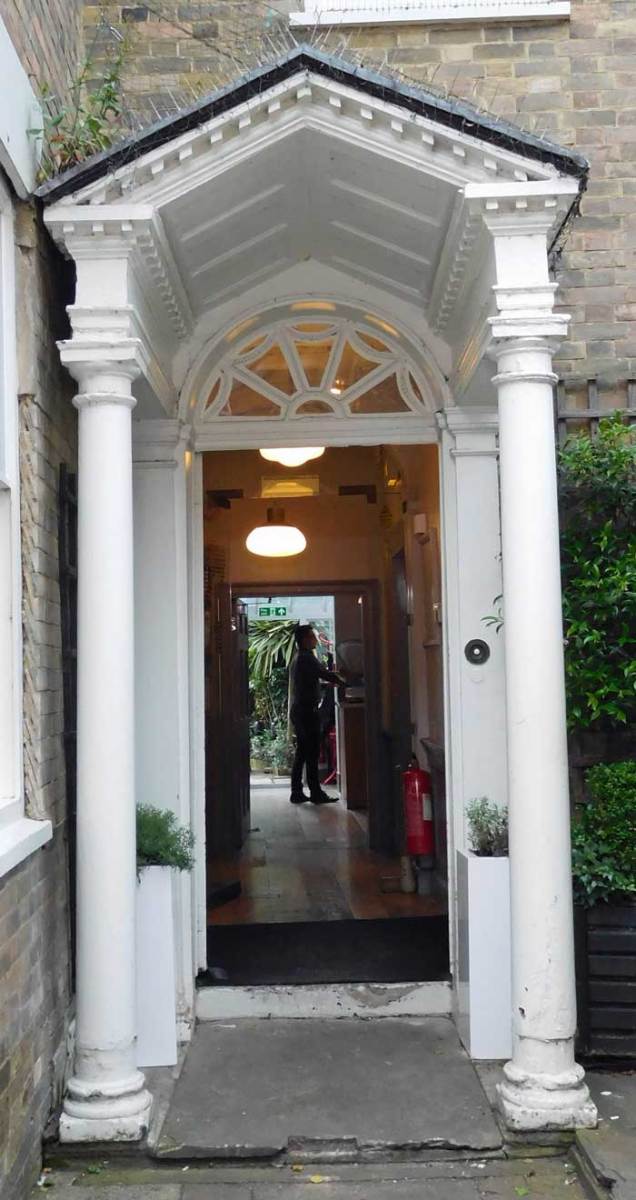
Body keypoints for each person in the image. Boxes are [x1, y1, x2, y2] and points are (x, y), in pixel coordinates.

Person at [289, 624, 345, 805]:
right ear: (305, 640)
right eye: (312, 636)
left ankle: (297, 792)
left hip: (300, 711)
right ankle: (315, 793)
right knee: (311, 753)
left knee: (302, 753)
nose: (315, 640)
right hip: (306, 712)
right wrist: (343, 680)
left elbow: (315, 678)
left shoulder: (299, 657)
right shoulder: (307, 658)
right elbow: (324, 674)